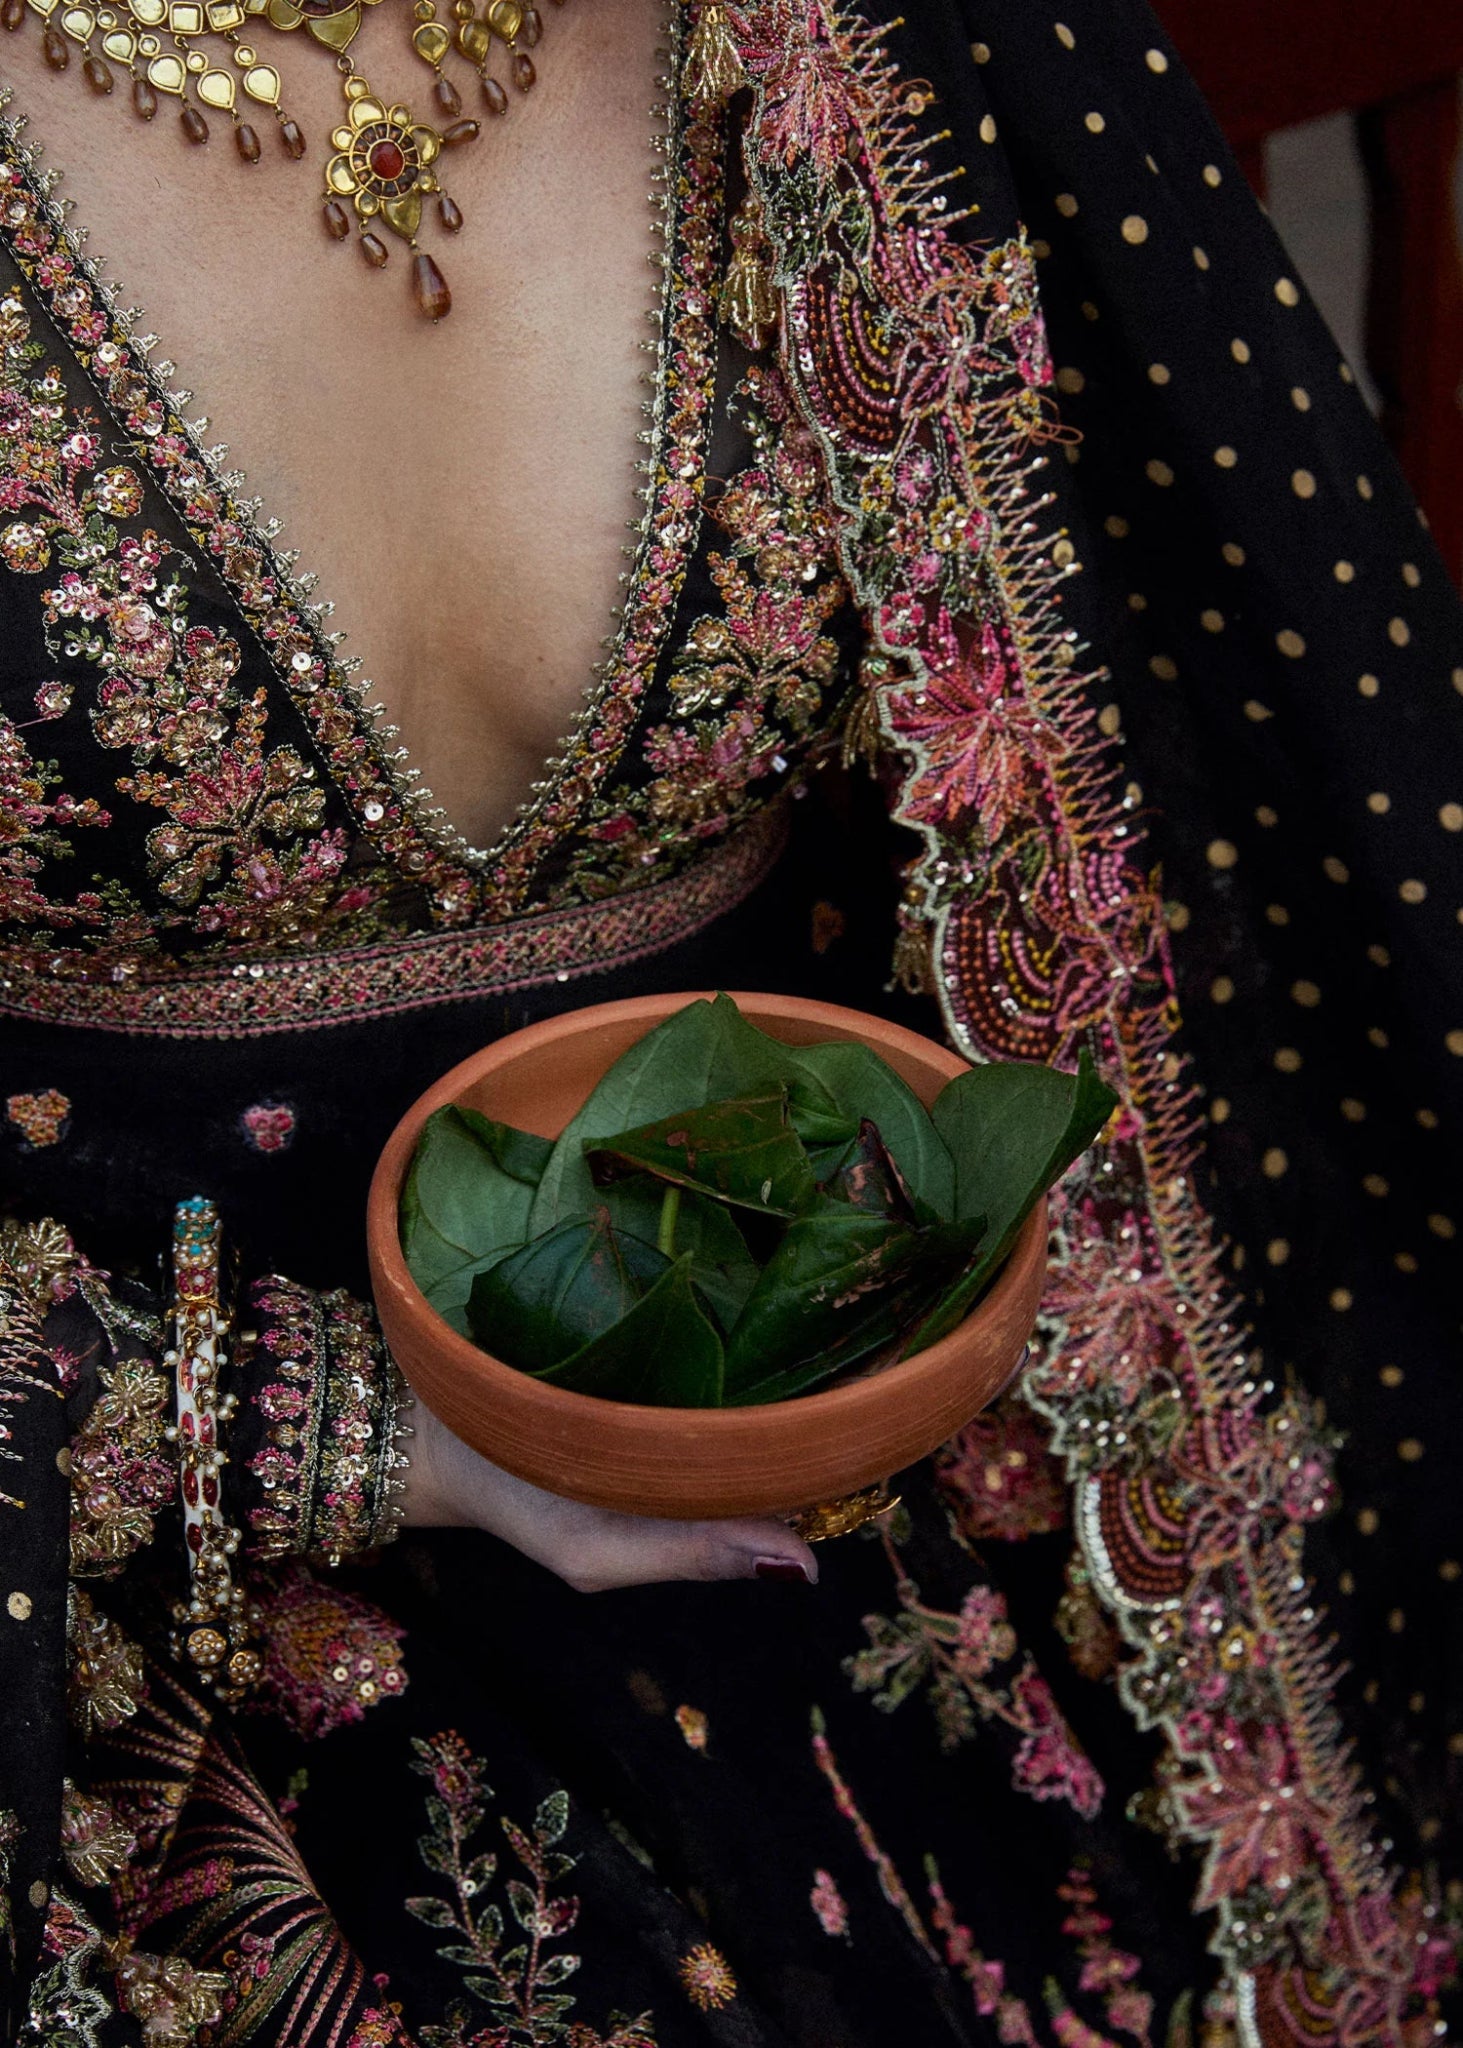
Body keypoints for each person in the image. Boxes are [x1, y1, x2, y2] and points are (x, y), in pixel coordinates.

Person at [1, 0, 1459, 2040]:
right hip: (121, 1542)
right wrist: (322, 1429)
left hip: (823, 1415)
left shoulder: (867, 35)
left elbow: (1217, 755)